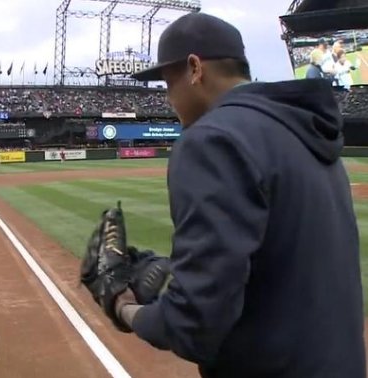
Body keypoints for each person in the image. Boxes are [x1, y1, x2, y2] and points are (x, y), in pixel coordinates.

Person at [107, 12, 365, 378]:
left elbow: (193, 323)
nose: (168, 98)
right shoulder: (306, 131)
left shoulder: (211, 140)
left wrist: (124, 308)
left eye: (168, 82)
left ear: (195, 68)